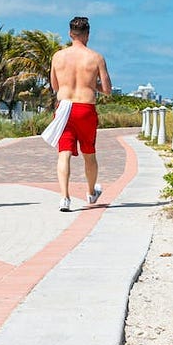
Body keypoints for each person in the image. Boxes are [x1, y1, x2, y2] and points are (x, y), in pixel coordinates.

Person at [50, 15, 112, 212]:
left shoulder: (58, 57)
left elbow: (54, 85)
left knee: (64, 154)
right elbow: (108, 89)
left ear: (70, 34)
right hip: (85, 108)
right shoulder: (96, 57)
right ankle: (92, 192)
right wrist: (92, 85)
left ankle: (64, 198)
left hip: (64, 107)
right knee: (89, 154)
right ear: (88, 34)